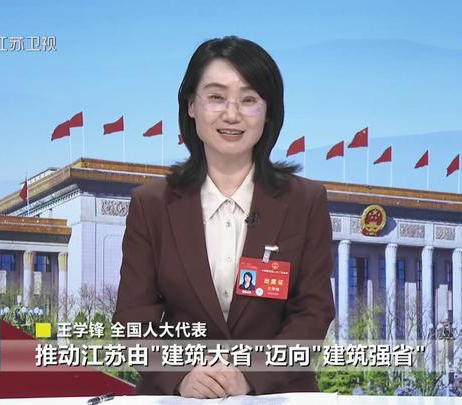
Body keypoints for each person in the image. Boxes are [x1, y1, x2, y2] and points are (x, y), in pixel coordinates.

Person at [113, 35, 335, 398]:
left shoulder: (305, 201)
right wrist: (182, 375)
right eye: (216, 97)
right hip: (177, 396)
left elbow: (313, 312)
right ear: (191, 105)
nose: (232, 115)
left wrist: (250, 375)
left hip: (276, 394)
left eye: (248, 100)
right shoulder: (150, 204)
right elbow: (133, 318)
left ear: (269, 111)